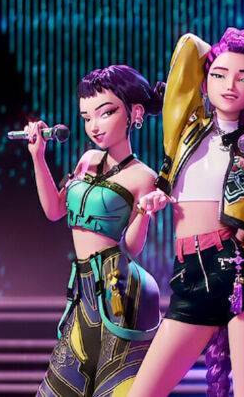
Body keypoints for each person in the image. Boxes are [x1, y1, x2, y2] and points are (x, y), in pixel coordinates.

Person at [128, 28, 244, 397]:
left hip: (240, 273)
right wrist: (232, 46)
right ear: (204, 82)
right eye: (219, 75)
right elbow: (188, 47)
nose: (230, 85)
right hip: (189, 276)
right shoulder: (184, 134)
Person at [28, 65, 163, 396]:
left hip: (118, 288)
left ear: (135, 113)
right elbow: (55, 210)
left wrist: (143, 213)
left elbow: (131, 246)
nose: (94, 126)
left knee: (114, 387)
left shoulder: (143, 176)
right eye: (87, 117)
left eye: (105, 113)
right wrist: (38, 157)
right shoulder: (87, 159)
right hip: (83, 288)